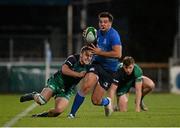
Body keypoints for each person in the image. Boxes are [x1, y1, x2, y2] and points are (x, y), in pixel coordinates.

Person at [68, 11, 122, 118]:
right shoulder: (97, 33)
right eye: (101, 22)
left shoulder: (114, 35)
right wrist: (87, 39)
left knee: (95, 100)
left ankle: (107, 102)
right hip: (97, 65)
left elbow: (118, 54)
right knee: (86, 85)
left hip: (109, 71)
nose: (102, 24)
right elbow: (92, 49)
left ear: (110, 23)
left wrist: (99, 52)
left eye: (105, 22)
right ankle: (72, 114)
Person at [19, 46, 93, 117]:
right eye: (87, 55)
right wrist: (78, 74)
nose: (88, 58)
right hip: (57, 82)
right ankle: (33, 95)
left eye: (90, 56)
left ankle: (41, 115)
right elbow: (64, 70)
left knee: (58, 111)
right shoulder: (73, 58)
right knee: (42, 101)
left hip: (67, 89)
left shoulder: (89, 66)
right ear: (81, 54)